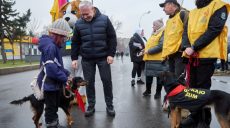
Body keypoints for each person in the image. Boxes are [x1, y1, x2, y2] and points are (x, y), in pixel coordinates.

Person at [181, 0, 229, 127]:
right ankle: (194, 116)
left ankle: (204, 120)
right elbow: (186, 31)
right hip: (191, 54)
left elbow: (214, 29)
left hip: (206, 55)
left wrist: (194, 46)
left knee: (202, 89)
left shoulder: (218, 6)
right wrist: (186, 46)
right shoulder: (193, 12)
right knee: (192, 88)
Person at [71, 1, 117, 117]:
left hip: (103, 57)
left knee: (107, 81)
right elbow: (75, 42)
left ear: (93, 9)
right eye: (83, 14)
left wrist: (111, 54)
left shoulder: (105, 20)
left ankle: (109, 105)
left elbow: (112, 38)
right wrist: (74, 58)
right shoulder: (78, 23)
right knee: (89, 83)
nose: (85, 17)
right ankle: (91, 106)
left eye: (87, 14)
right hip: (87, 59)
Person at [37, 19, 71, 128]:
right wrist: (64, 78)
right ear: (58, 35)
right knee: (51, 108)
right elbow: (51, 69)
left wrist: (66, 73)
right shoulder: (50, 47)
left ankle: (54, 123)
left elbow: (57, 65)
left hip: (54, 84)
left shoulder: (54, 46)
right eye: (64, 37)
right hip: (49, 85)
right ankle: (51, 125)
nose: (65, 40)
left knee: (55, 106)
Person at [159, 0, 188, 79]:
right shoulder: (168, 21)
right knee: (172, 79)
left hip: (180, 54)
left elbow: (188, 32)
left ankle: (181, 91)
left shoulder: (183, 14)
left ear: (172, 5)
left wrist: (183, 47)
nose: (163, 9)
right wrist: (164, 55)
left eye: (164, 6)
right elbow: (167, 39)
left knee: (179, 79)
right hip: (170, 55)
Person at [142, 19, 167, 99]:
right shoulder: (153, 34)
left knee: (159, 77)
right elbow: (150, 44)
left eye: (154, 25)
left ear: (159, 26)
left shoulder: (163, 32)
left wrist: (149, 51)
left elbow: (161, 46)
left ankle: (158, 93)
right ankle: (148, 90)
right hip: (149, 59)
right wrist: (145, 49)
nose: (153, 27)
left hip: (158, 59)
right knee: (148, 76)